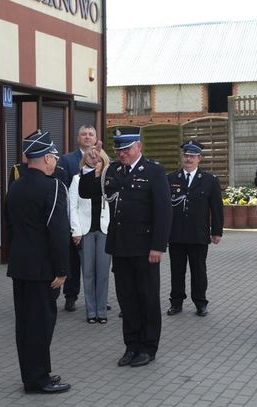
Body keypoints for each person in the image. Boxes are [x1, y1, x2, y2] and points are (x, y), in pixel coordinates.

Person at [79, 127, 171, 367]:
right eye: (119, 150)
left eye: (127, 149)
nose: (122, 154)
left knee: (147, 299)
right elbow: (86, 192)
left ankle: (148, 348)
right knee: (127, 300)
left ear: (138, 146)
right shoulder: (112, 170)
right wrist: (89, 165)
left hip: (145, 247)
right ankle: (131, 346)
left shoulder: (154, 171)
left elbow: (163, 211)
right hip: (120, 246)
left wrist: (158, 246)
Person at [5, 130, 71, 394]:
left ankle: (33, 374)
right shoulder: (53, 186)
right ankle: (37, 380)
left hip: (20, 266)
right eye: (53, 156)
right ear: (45, 158)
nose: (55, 161)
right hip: (43, 269)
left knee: (25, 325)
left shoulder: (15, 186)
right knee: (41, 326)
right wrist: (62, 269)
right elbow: (58, 232)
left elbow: (10, 227)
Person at [166, 140, 223, 317]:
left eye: (193, 156)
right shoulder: (171, 179)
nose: (189, 159)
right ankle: (176, 302)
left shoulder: (209, 180)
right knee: (177, 271)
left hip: (198, 234)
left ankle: (200, 302)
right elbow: (164, 208)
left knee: (198, 271)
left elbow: (217, 208)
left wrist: (217, 231)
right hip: (176, 234)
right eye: (186, 155)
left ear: (200, 158)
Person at [58, 124, 98, 312]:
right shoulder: (67, 160)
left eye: (90, 134)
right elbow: (64, 191)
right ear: (78, 138)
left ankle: (98, 298)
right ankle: (71, 296)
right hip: (74, 219)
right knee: (73, 262)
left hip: (96, 221)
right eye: (84, 134)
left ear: (95, 138)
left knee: (96, 264)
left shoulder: (103, 158)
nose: (87, 137)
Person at [68, 149, 111, 324]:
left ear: (104, 162)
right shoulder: (77, 179)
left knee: (103, 273)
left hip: (105, 231)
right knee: (88, 273)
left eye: (99, 160)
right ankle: (91, 311)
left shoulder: (109, 180)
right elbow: (72, 207)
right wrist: (76, 230)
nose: (95, 162)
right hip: (85, 231)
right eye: (91, 159)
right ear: (85, 161)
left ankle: (102, 311)